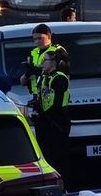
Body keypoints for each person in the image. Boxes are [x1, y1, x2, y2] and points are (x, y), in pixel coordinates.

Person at [29, 47, 72, 180]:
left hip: (56, 122)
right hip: (44, 122)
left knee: (58, 156)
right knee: (46, 154)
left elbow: (56, 103)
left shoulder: (59, 78)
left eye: (45, 60)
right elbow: (41, 96)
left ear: (53, 62)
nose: (42, 63)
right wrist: (36, 110)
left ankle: (62, 182)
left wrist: (43, 114)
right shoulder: (44, 77)